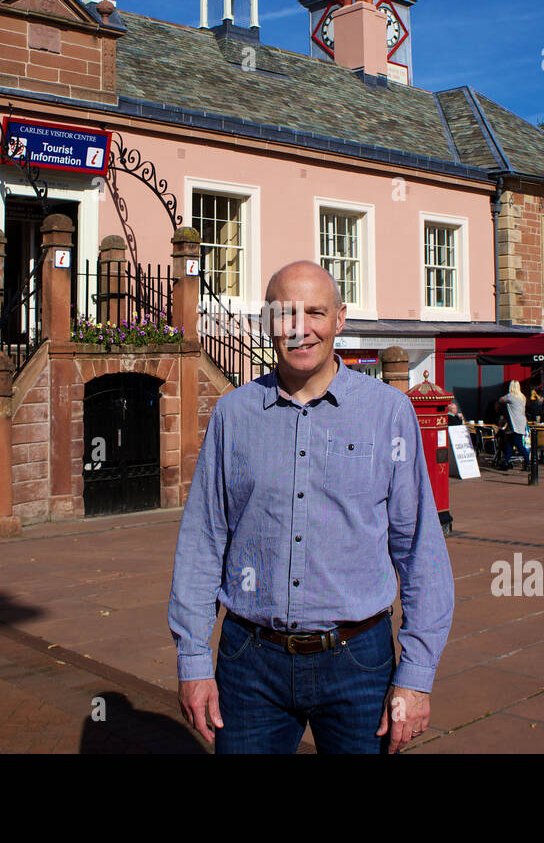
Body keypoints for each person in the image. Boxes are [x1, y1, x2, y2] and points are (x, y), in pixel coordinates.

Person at [169, 262, 454, 754]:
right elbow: (203, 541)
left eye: (316, 312)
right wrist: (193, 661)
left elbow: (419, 548)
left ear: (340, 319)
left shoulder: (389, 412)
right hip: (249, 662)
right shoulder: (234, 414)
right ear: (267, 322)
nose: (300, 328)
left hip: (359, 663)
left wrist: (417, 675)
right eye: (285, 314)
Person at [498, 380, 531, 469]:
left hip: (514, 423)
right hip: (522, 421)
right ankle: (505, 462)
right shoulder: (523, 397)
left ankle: (528, 462)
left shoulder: (510, 396)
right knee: (509, 442)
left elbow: (500, 400)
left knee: (518, 444)